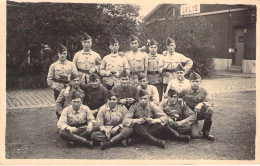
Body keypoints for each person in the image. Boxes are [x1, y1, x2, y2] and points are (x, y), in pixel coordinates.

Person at [123, 90, 190, 148]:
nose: (143, 101)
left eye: (145, 98)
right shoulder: (134, 107)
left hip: (151, 127)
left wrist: (154, 121)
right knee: (137, 126)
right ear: (138, 99)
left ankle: (137, 140)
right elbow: (125, 121)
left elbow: (165, 118)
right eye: (141, 98)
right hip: (140, 128)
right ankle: (156, 141)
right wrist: (136, 120)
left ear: (148, 98)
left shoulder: (152, 105)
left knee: (164, 125)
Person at [180, 72, 215, 141]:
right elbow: (178, 97)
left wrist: (201, 104)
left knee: (210, 110)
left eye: (197, 81)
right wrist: (181, 101)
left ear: (200, 82)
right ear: (189, 82)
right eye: (193, 81)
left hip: (199, 112)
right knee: (195, 135)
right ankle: (192, 127)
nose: (195, 83)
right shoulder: (185, 90)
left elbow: (210, 102)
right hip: (189, 114)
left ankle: (206, 132)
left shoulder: (204, 90)